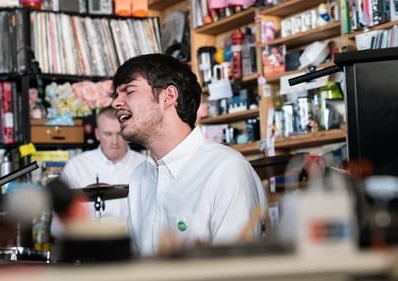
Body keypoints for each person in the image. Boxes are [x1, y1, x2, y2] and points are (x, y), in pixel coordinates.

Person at [111, 54, 267, 256]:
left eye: (129, 91)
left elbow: (236, 270)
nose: (116, 103)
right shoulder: (140, 177)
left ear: (169, 96)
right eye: (116, 95)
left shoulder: (225, 170)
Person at [60, 106, 145, 220]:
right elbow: (62, 215)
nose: (114, 141)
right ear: (97, 134)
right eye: (108, 134)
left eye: (120, 134)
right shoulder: (76, 166)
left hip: (134, 237)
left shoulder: (145, 165)